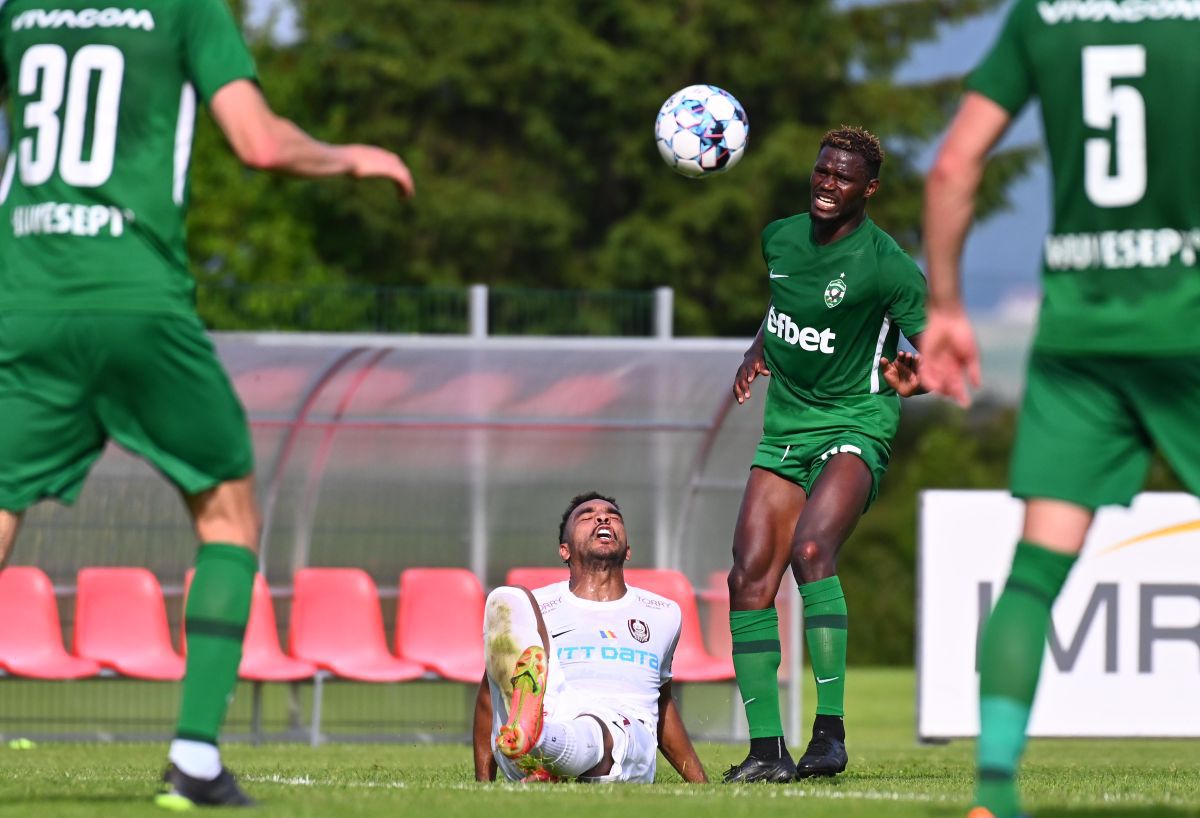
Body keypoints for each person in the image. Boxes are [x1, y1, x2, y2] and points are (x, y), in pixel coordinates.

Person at [0, 0, 413, 808]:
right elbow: (259, 143)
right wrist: (349, 156)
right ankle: (193, 756)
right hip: (135, 297)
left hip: (28, 295)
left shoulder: (21, 12)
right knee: (226, 510)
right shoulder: (185, 9)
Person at [921, 4, 1200, 818]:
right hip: (1189, 322)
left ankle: (995, 793)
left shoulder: (1044, 14)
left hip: (1080, 331)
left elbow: (951, 167)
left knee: (1036, 573)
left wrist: (946, 305)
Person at [723, 126, 926, 784]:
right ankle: (765, 751)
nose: (826, 185)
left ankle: (830, 733)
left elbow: (941, 354)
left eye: (842, 177)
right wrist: (758, 350)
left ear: (869, 188)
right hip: (789, 422)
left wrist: (916, 377)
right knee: (748, 576)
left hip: (857, 418)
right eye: (821, 172)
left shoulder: (888, 264)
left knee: (812, 551)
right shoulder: (779, 238)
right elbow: (784, 303)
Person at [472, 492, 708, 784]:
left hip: (625, 738)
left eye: (613, 515)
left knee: (598, 729)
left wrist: (700, 783)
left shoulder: (664, 613)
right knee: (509, 599)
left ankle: (542, 745)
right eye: (587, 516)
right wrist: (483, 784)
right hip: (554, 713)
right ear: (565, 551)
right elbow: (490, 692)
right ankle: (537, 745)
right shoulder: (541, 606)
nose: (603, 517)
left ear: (628, 550)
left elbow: (662, 702)